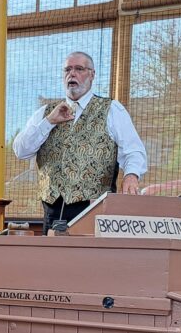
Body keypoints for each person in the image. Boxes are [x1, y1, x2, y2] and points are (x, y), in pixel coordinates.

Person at [12, 51, 148, 234]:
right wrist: (49, 122)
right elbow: (21, 150)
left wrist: (131, 175)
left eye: (79, 69)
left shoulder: (111, 109)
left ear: (92, 75)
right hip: (52, 211)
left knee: (88, 262)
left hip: (93, 210)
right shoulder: (45, 112)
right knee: (51, 261)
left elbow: (133, 150)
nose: (72, 74)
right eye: (67, 69)